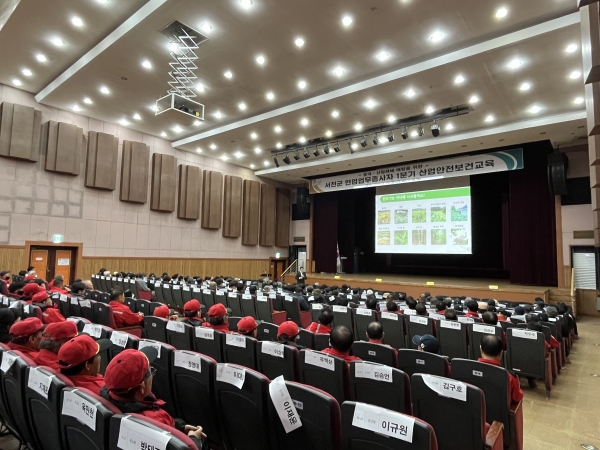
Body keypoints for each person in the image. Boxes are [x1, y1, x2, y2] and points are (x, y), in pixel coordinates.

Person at [99, 348, 206, 447]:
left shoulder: (109, 399)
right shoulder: (154, 420)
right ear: (142, 387)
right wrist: (193, 439)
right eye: (150, 371)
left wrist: (179, 427)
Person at [478, 335, 523, 403]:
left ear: (481, 350)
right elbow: (517, 397)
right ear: (501, 353)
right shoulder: (510, 376)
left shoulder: (467, 369)